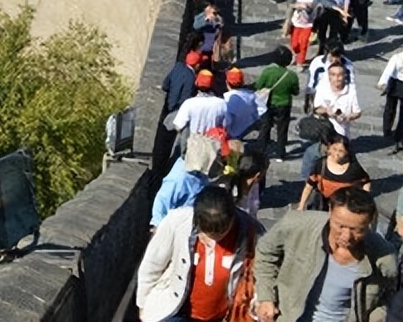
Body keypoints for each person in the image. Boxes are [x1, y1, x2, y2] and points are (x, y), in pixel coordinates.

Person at [253, 187, 396, 322]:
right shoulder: (296, 225)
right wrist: (266, 297)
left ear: (369, 224)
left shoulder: (383, 256)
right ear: (330, 211)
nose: (346, 236)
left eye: (357, 230)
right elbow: (265, 253)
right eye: (340, 226)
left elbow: (391, 295)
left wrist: (378, 317)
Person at [137, 185, 260, 322]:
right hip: (175, 310)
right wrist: (143, 305)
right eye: (206, 233)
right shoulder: (177, 222)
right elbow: (152, 265)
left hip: (222, 315)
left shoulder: (250, 232)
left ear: (232, 219)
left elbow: (262, 273)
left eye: (221, 233)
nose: (213, 239)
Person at [152, 133, 223, 228]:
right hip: (177, 223)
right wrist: (159, 228)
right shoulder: (178, 179)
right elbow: (161, 202)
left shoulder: (200, 174)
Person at [298, 131, 371, 211]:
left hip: (345, 207)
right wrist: (301, 205)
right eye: (334, 149)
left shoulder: (354, 168)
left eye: (341, 151)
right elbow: (309, 186)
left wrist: (364, 200)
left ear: (347, 152)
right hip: (323, 205)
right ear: (329, 148)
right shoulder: (321, 164)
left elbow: (365, 182)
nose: (336, 154)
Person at [254, 47, 300, 161]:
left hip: (268, 103)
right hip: (284, 104)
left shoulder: (267, 72)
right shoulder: (291, 75)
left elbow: (258, 85)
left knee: (265, 127)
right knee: (282, 128)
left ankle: (261, 150)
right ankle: (280, 153)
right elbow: (296, 92)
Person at [224, 68, 261, 140]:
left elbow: (227, 122)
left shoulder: (226, 100)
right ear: (242, 82)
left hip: (232, 134)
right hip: (248, 129)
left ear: (227, 83)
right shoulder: (251, 95)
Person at [378, 48, 403, 153]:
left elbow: (388, 71)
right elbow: (388, 71)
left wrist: (382, 82)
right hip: (395, 83)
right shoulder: (397, 57)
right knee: (392, 109)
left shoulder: (397, 57)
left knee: (390, 108)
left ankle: (388, 131)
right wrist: (382, 82)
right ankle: (394, 133)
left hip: (395, 83)